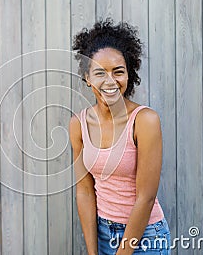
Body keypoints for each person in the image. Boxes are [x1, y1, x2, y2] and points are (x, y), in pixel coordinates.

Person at [69, 18, 171, 255]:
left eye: (118, 72)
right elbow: (84, 191)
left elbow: (146, 197)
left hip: (145, 236)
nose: (110, 81)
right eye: (99, 73)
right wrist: (93, 252)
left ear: (129, 74)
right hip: (103, 234)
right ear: (87, 77)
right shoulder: (78, 125)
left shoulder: (144, 121)